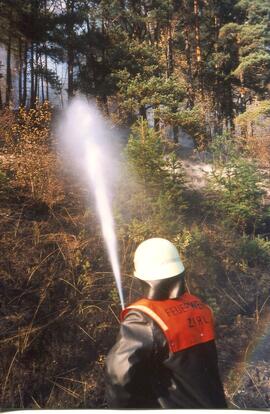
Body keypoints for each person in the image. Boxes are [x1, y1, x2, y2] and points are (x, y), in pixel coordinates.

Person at [105, 237, 227, 408]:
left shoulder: (143, 319)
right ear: (179, 271)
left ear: (142, 276)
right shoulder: (199, 306)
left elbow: (119, 376)